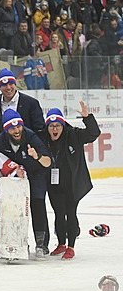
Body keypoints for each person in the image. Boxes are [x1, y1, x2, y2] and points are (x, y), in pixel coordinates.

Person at [0, 109, 52, 259]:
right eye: (13, 128)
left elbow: (48, 162)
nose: (17, 131)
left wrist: (37, 156)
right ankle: (18, 243)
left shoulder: (30, 136)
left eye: (19, 127)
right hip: (15, 179)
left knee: (38, 202)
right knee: (14, 209)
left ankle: (41, 243)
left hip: (35, 175)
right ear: (6, 130)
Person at [38, 106, 100, 260]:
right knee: (59, 214)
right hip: (53, 184)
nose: (54, 129)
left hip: (72, 184)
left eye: (58, 125)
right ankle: (61, 244)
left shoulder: (73, 134)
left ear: (63, 125)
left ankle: (71, 246)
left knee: (70, 213)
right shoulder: (43, 136)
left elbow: (94, 133)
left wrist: (88, 118)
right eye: (51, 126)